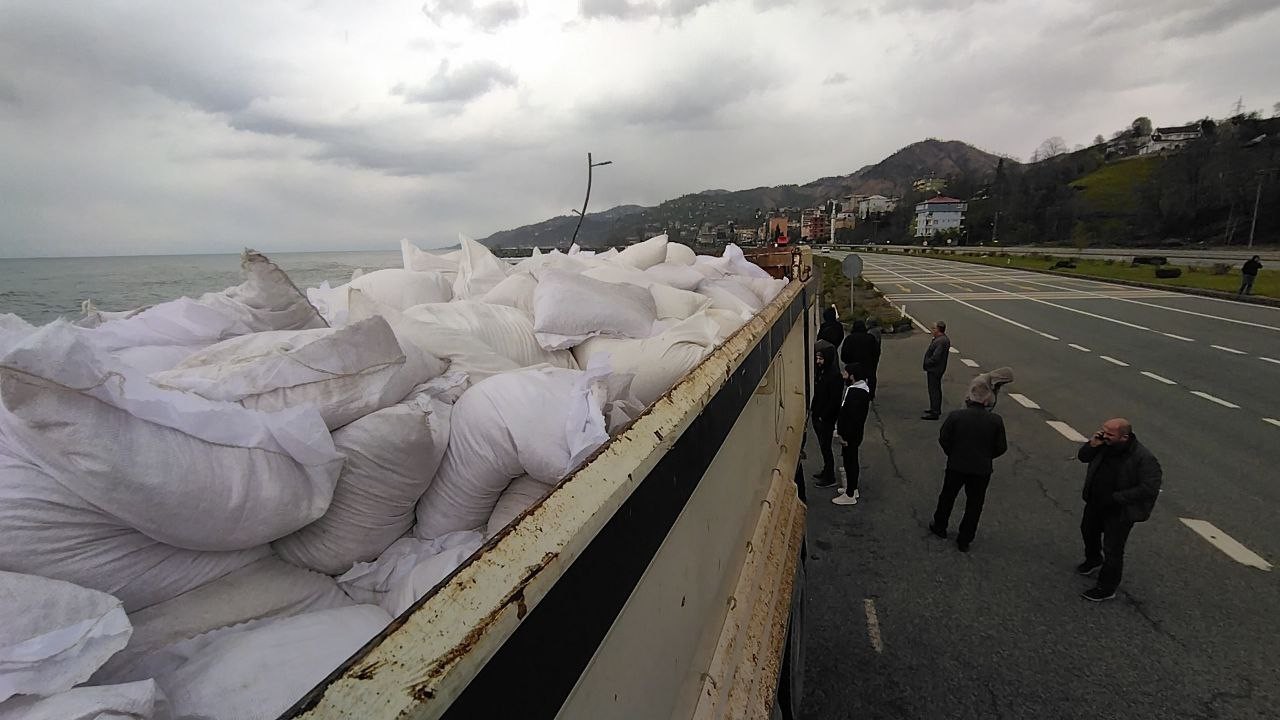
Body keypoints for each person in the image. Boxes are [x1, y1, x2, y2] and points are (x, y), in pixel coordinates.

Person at [1076, 418, 1162, 602]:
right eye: (1103, 431)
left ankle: (1106, 588)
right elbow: (1083, 457)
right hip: (1095, 503)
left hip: (1119, 511)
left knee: (1113, 549)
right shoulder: (1102, 444)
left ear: (1124, 437)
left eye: (1109, 434)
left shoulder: (1143, 458)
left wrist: (1116, 498)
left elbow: (1149, 488)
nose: (1104, 435)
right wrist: (1092, 444)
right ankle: (1093, 559)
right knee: (1087, 531)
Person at [928, 372, 1009, 551]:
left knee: (947, 496)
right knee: (974, 505)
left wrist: (953, 453)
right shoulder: (995, 420)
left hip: (957, 464)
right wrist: (987, 456)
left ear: (969, 397)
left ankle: (940, 526)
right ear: (987, 401)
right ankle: (965, 539)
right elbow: (1001, 447)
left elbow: (944, 438)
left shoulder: (956, 416)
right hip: (981, 469)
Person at [832, 363, 872, 506]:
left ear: (852, 376)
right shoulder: (861, 390)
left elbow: (851, 417)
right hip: (854, 434)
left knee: (850, 462)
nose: (844, 375)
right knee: (851, 460)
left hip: (850, 435)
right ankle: (851, 488)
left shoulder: (855, 393)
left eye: (846, 373)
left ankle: (850, 494)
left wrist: (843, 434)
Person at [810, 340, 844, 487]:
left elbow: (834, 400)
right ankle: (826, 470)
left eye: (821, 358)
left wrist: (823, 416)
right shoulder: (822, 372)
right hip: (819, 415)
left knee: (826, 446)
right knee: (824, 447)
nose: (818, 361)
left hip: (826, 417)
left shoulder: (834, 376)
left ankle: (829, 475)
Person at [841, 319, 881, 400]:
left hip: (853, 365)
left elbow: (844, 354)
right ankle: (870, 395)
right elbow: (876, 351)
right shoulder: (870, 338)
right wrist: (874, 362)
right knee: (871, 378)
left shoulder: (849, 339)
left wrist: (848, 363)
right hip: (868, 365)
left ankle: (852, 394)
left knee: (854, 380)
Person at [921, 320, 950, 420]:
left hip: (935, 369)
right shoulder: (940, 339)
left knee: (934, 390)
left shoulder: (941, 341)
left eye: (934, 328)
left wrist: (928, 362)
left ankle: (935, 411)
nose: (932, 330)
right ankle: (934, 408)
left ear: (938, 329)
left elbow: (936, 357)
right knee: (934, 389)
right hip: (936, 369)